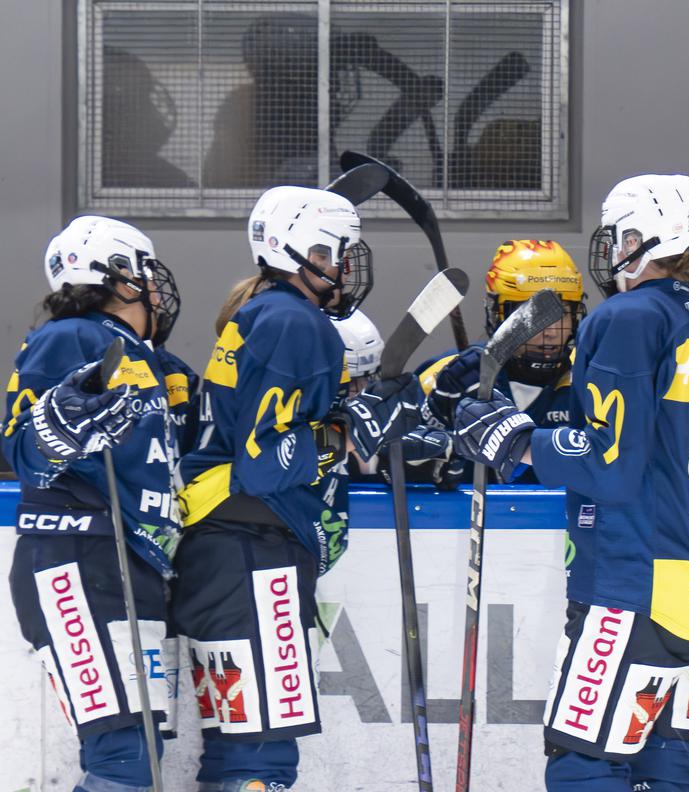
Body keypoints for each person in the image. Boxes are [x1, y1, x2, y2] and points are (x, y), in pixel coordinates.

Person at [450, 175, 689, 792]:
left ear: (638, 238)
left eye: (618, 236)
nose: (611, 249)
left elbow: (611, 463)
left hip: (633, 585)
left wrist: (522, 440)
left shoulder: (629, 316)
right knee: (662, 760)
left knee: (583, 762)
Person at [172, 186, 421, 790]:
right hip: (254, 549)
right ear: (301, 249)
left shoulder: (260, 312)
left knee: (239, 753)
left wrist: (337, 418)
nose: (344, 267)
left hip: (222, 550)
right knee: (260, 761)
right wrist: (345, 432)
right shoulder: (295, 321)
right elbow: (266, 458)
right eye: (337, 252)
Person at [6, 216, 184, 792]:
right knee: (126, 758)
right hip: (77, 556)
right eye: (146, 271)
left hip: (122, 558)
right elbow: (22, 446)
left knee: (141, 754)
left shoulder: (146, 358)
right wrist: (57, 429)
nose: (156, 287)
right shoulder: (72, 336)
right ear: (121, 276)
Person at [418, 239, 585, 487]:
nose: (550, 331)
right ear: (498, 313)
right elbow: (389, 465)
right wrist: (435, 417)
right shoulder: (445, 374)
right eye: (531, 314)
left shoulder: (590, 377)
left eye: (561, 314)